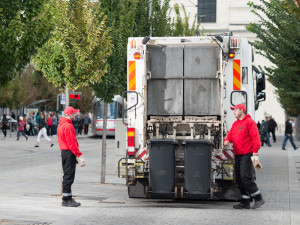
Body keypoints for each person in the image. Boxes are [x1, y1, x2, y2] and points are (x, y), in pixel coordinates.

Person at [224, 104, 265, 209]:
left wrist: (255, 151)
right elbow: (230, 135)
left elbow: (256, 137)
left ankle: (258, 198)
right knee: (238, 178)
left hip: (248, 153)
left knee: (245, 176)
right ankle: (245, 201)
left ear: (241, 110)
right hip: (238, 154)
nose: (233, 112)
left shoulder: (249, 122)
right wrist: (227, 140)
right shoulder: (235, 124)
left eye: (235, 110)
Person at [58, 106, 85, 207]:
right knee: (69, 176)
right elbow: (72, 143)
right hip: (69, 152)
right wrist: (79, 155)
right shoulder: (68, 126)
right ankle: (66, 200)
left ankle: (68, 197)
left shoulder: (62, 125)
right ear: (69, 115)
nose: (75, 115)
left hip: (65, 152)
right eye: (74, 114)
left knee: (67, 175)